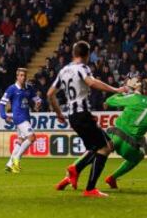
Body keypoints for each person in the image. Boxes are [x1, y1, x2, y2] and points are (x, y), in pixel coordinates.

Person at [47, 41, 127, 197]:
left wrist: (58, 113)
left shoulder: (63, 70)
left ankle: (75, 169)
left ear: (73, 54)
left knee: (103, 145)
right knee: (104, 148)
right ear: (87, 55)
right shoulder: (82, 68)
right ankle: (90, 188)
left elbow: (50, 94)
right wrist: (115, 89)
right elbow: (92, 82)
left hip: (73, 116)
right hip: (81, 114)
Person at [0, 68, 41, 173]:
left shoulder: (28, 88)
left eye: (24, 75)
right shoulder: (12, 89)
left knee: (20, 141)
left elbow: (37, 98)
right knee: (32, 137)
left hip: (26, 117)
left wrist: (38, 102)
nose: (23, 77)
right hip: (19, 117)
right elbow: (2, 103)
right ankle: (16, 159)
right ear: (17, 76)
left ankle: (9, 164)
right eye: (21, 75)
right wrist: (4, 115)